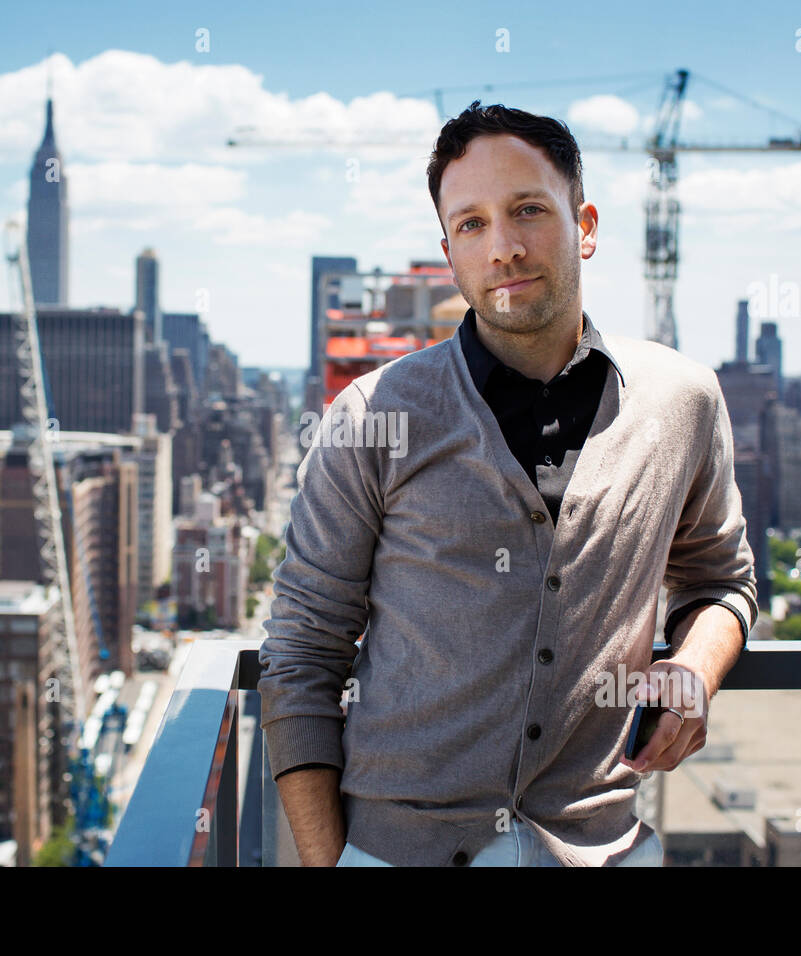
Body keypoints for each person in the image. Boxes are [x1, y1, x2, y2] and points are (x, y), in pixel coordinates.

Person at [258, 100, 757, 867]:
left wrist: (693, 670)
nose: (504, 247)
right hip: (399, 850)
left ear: (584, 226)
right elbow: (302, 655)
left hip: (602, 845)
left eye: (528, 210)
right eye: (472, 224)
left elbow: (722, 582)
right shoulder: (371, 415)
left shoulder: (684, 401)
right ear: (450, 251)